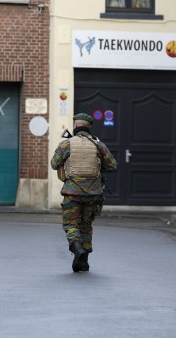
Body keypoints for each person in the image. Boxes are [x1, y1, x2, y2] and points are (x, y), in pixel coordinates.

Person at [50, 113, 117, 272]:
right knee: (86, 225)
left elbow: (54, 164)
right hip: (93, 193)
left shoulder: (66, 144)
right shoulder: (98, 145)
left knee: (71, 223)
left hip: (72, 192)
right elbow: (112, 165)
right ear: (90, 127)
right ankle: (83, 261)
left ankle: (76, 247)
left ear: (75, 125)